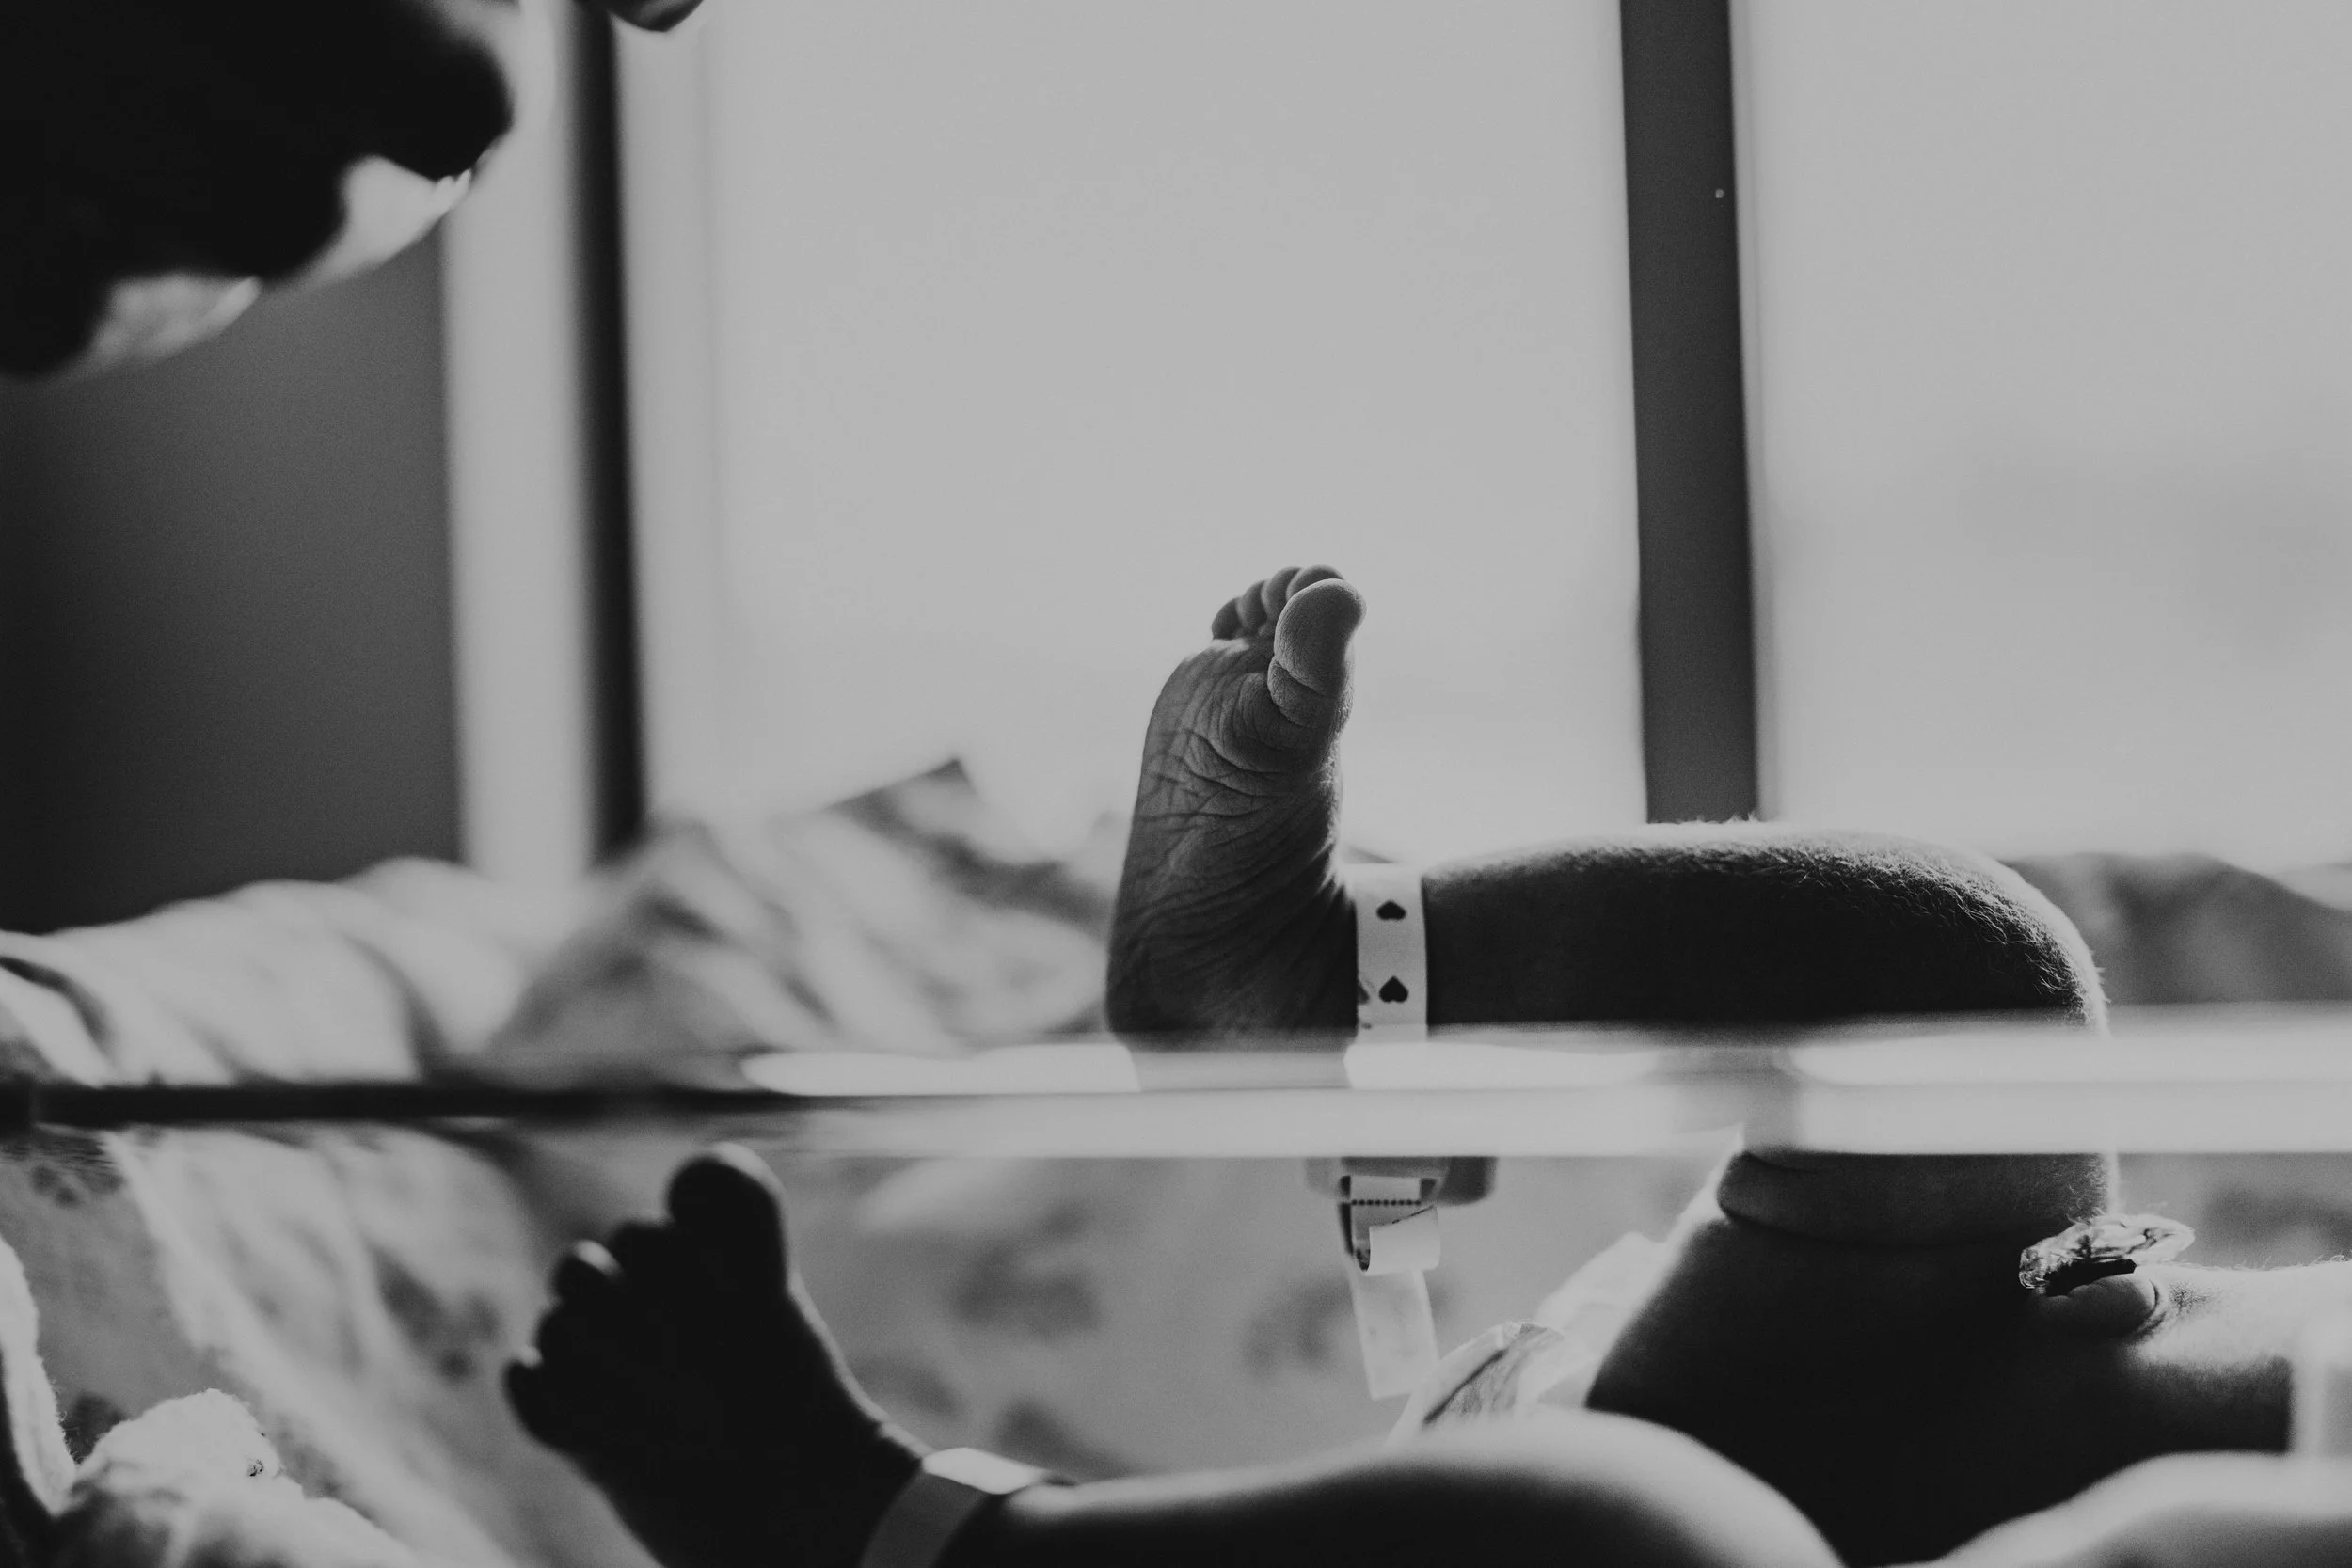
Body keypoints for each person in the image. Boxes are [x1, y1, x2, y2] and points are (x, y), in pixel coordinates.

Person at [508, 566, 2352, 1567]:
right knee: (1965, 983)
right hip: (1959, 1305)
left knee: (1637, 1533)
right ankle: (1314, 979)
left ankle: (893, 1539)